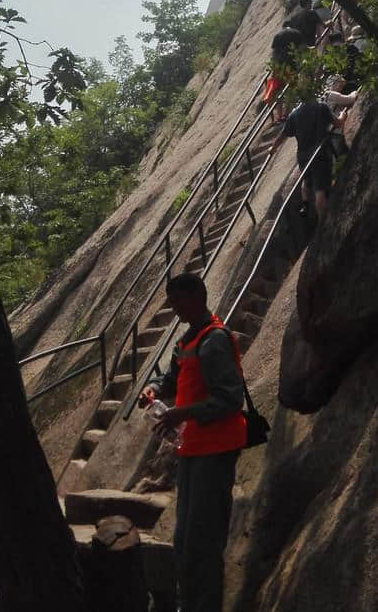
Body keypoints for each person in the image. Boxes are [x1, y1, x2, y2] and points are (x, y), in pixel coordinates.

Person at [139, 273, 246, 612]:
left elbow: (230, 399)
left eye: (178, 301)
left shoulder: (214, 340)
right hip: (192, 450)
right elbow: (171, 377)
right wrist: (155, 390)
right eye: (171, 303)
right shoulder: (188, 340)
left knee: (203, 540)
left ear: (198, 295)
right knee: (185, 540)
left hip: (216, 451)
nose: (174, 309)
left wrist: (180, 413)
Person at [268, 97, 345, 219]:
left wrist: (273, 148)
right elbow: (338, 123)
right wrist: (342, 115)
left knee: (307, 178)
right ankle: (323, 225)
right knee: (320, 190)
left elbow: (284, 134)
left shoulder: (294, 114)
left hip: (303, 156)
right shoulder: (321, 107)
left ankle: (305, 203)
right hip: (319, 153)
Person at [266, 24, 304, 121]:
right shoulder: (296, 33)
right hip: (291, 65)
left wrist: (273, 68)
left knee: (278, 91)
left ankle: (279, 115)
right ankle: (286, 113)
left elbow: (274, 53)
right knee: (291, 88)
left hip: (278, 66)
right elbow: (301, 48)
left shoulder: (277, 36)